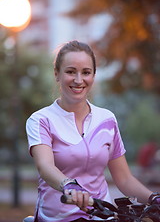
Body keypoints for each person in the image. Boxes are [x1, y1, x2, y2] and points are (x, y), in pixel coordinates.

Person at [26, 40, 159, 222]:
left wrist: (154, 198)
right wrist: (69, 185)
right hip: (55, 218)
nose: (79, 80)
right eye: (71, 71)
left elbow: (124, 179)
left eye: (86, 72)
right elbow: (45, 166)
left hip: (102, 216)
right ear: (57, 74)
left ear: (93, 76)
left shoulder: (107, 119)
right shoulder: (41, 120)